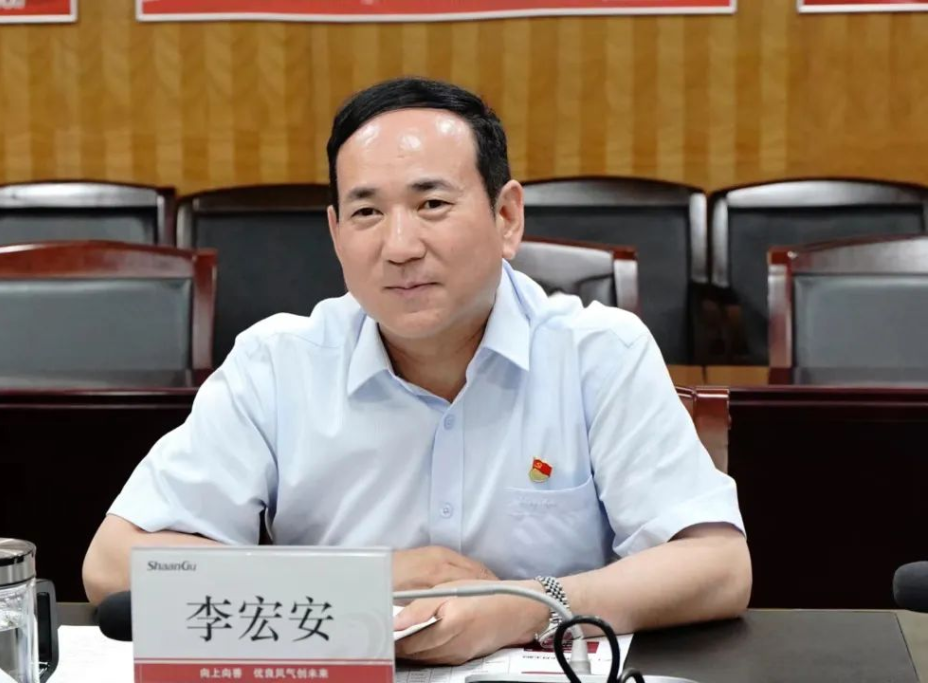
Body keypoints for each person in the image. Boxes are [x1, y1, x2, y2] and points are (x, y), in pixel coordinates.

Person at [83, 76, 750, 665]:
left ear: (507, 217)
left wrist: (528, 606)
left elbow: (718, 566)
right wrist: (366, 580)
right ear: (336, 233)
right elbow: (114, 562)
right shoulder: (278, 364)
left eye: (432, 204)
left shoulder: (599, 354)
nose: (399, 247)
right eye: (367, 212)